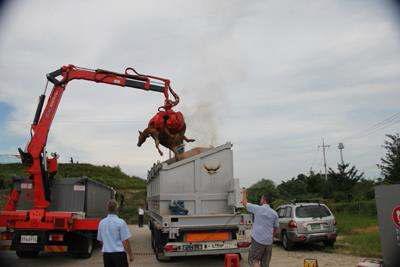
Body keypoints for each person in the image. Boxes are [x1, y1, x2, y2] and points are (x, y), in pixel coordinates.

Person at [241, 190, 279, 267]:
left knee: (254, 260)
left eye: (261, 198)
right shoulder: (274, 213)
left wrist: (244, 192)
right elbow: (276, 228)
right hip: (268, 242)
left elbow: (244, 203)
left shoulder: (257, 209)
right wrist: (271, 237)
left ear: (264, 200)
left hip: (258, 240)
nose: (260, 200)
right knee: (265, 263)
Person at [97, 199, 134, 267]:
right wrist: (130, 255)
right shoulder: (121, 222)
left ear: (107, 209)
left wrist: (108, 246)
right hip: (119, 255)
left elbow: (101, 240)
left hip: (107, 255)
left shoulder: (101, 223)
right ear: (116, 209)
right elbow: (125, 241)